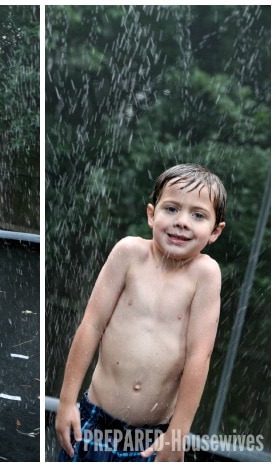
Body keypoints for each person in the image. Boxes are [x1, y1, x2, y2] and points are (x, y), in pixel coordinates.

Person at [55, 164, 227, 462]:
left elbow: (199, 357)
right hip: (92, 421)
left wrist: (178, 434)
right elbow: (91, 325)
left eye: (198, 215)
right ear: (151, 214)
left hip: (150, 438)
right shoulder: (129, 254)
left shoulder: (205, 275)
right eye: (171, 209)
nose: (182, 222)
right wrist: (67, 401)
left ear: (215, 231)